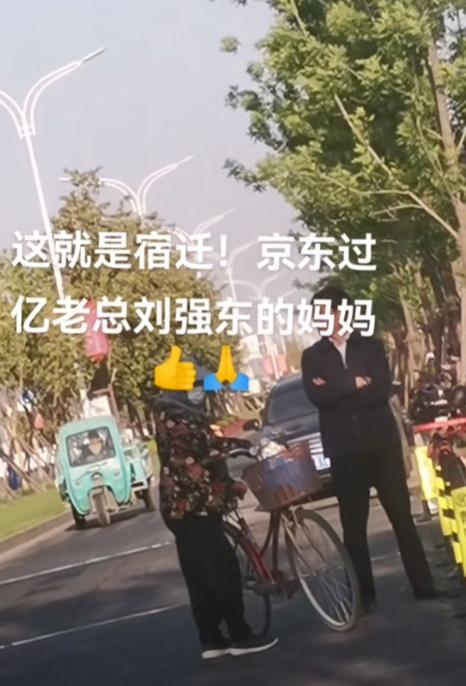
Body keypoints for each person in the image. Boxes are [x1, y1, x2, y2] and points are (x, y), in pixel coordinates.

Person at [301, 286, 445, 614]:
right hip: (344, 451)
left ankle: (423, 585)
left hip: (381, 445)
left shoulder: (371, 346)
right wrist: (353, 384)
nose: (320, 319)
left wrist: (337, 388)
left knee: (402, 518)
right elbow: (316, 396)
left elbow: (379, 389)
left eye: (325, 312)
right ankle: (363, 596)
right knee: (353, 528)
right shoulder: (313, 356)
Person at [153, 361, 278, 660]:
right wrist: (243, 446)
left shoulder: (181, 413)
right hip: (191, 507)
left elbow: (202, 461)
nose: (199, 391)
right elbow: (203, 447)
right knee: (223, 571)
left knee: (198, 576)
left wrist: (229, 482)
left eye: (201, 386)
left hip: (186, 506)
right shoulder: (174, 416)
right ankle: (239, 634)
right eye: (193, 386)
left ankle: (211, 639)